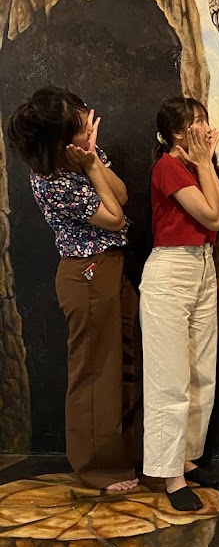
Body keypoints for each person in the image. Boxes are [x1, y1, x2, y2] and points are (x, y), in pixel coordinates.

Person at [6, 86, 140, 493]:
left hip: (111, 267)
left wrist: (93, 159)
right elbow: (115, 219)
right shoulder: (52, 182)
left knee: (126, 361)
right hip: (87, 273)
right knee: (95, 372)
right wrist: (93, 164)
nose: (90, 127)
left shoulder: (83, 156)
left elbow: (122, 195)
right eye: (82, 125)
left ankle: (130, 453)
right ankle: (97, 468)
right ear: (60, 141)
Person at [139, 96, 219, 511]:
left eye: (205, 119)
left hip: (202, 265)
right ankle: (170, 475)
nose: (206, 127)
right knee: (170, 376)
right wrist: (203, 164)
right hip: (171, 270)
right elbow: (210, 218)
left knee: (200, 371)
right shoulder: (167, 167)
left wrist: (206, 164)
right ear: (178, 133)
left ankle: (186, 457)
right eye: (197, 121)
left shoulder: (198, 168)